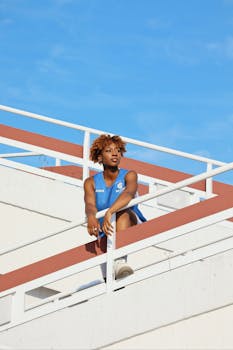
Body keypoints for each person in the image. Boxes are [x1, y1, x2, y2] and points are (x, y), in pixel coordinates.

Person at [84, 134, 147, 279]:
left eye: (118, 150)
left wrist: (110, 211)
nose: (115, 153)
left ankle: (119, 261)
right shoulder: (91, 182)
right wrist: (91, 217)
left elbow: (129, 193)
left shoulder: (129, 175)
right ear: (99, 157)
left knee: (122, 213)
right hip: (105, 230)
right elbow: (90, 204)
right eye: (109, 150)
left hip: (130, 221)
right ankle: (115, 270)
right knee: (110, 281)